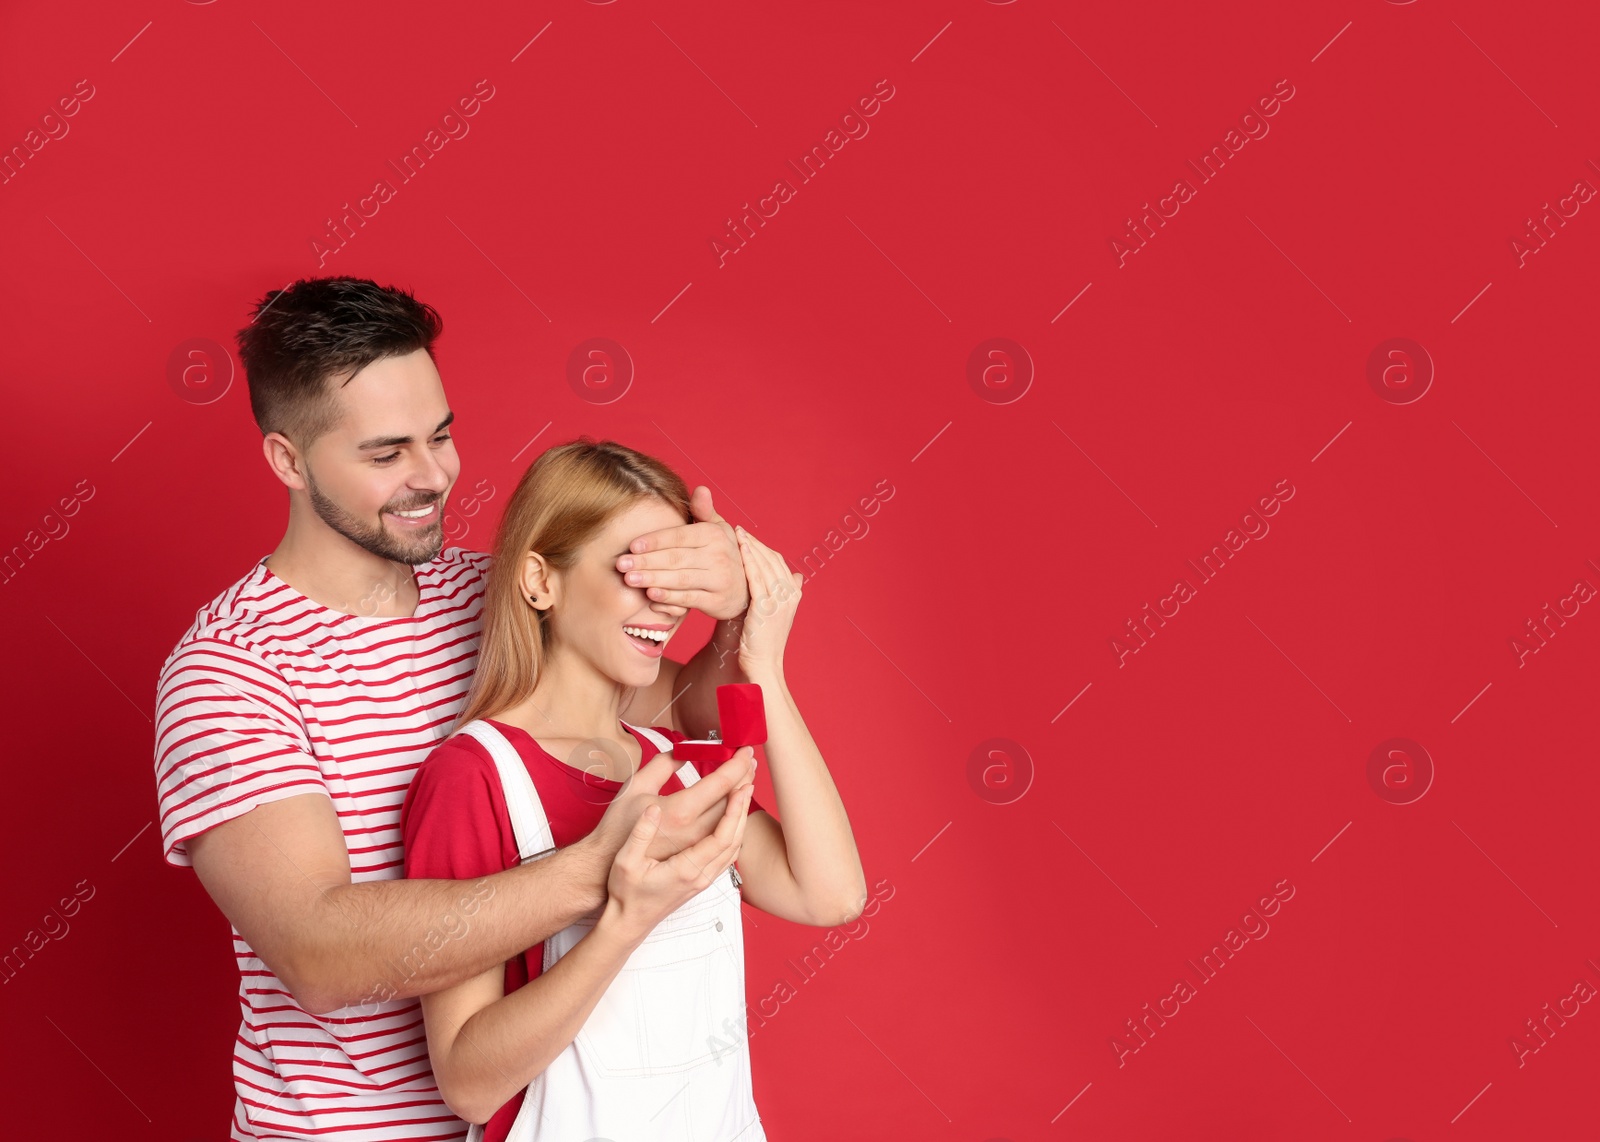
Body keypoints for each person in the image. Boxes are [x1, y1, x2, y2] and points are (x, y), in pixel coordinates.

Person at [153, 276, 758, 1141]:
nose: (433, 476)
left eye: (441, 436)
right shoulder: (230, 674)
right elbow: (318, 954)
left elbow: (686, 709)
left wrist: (734, 606)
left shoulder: (494, 593)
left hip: (536, 1121)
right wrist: (602, 874)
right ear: (288, 460)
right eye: (385, 453)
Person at [400, 438, 866, 1140]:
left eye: (675, 578)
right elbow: (469, 1083)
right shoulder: (475, 778)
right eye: (634, 570)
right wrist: (622, 922)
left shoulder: (673, 760)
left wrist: (760, 659)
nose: (666, 605)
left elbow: (831, 895)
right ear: (539, 582)